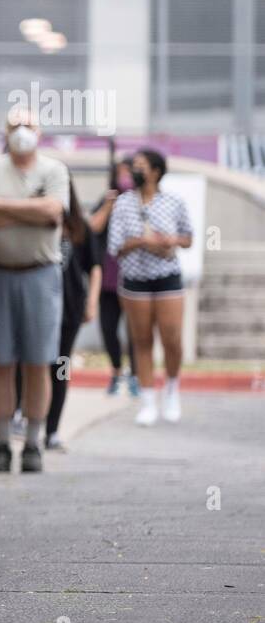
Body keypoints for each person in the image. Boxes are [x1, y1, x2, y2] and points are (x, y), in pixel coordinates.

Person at [0, 110, 69, 474]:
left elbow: (54, 211)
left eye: (29, 125)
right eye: (14, 126)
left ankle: (32, 442)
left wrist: (1, 207)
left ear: (40, 131)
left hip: (41, 274)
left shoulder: (54, 169)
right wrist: (32, 210)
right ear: (5, 131)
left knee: (38, 362)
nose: (22, 132)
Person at [107, 148, 192, 426]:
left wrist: (170, 241)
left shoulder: (174, 202)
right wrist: (142, 242)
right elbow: (115, 246)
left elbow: (188, 238)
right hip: (135, 279)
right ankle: (147, 399)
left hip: (167, 276)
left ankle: (171, 389)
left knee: (172, 338)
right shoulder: (123, 204)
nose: (135, 170)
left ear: (155, 171)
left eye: (141, 165)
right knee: (141, 340)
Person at [46, 178, 101, 449]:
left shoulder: (80, 227)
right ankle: (25, 418)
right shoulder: (38, 219)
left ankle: (52, 430)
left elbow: (95, 267)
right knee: (33, 365)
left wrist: (91, 302)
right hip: (41, 305)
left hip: (70, 307)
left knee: (60, 367)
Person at [90, 156, 139, 397]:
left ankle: (136, 376)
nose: (124, 177)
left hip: (134, 276)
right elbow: (92, 229)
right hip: (107, 278)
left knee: (135, 330)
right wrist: (108, 206)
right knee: (109, 328)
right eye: (120, 173)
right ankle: (117, 372)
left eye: (128, 172)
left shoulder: (142, 203)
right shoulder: (107, 200)